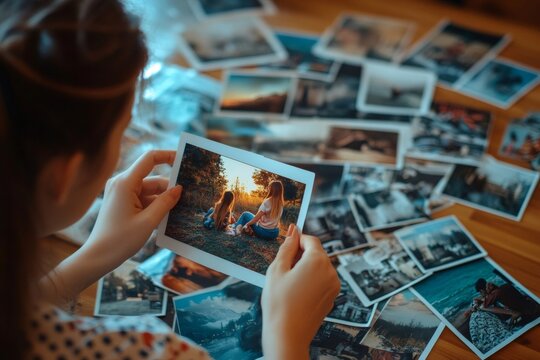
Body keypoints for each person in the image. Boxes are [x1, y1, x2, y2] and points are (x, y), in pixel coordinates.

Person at [0, 1, 341, 359]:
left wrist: (89, 259)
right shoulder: (149, 350)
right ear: (64, 176)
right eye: (122, 132)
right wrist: (286, 338)